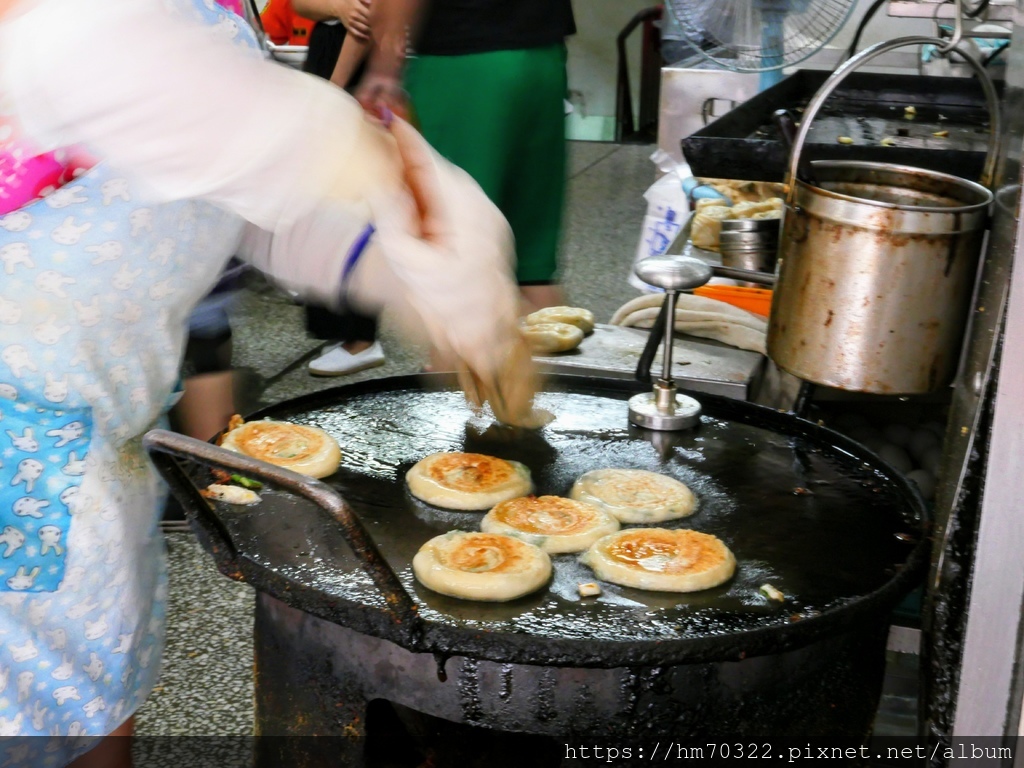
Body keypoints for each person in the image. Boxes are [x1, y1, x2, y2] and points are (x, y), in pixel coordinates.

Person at [0, 1, 531, 766]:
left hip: (90, 447)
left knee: (93, 695)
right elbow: (237, 125)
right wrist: (430, 233)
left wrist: (409, 269)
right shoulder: (80, 24)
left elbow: (249, 198)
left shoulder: (201, 20)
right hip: (20, 444)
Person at [403, 0, 576, 312]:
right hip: (543, 57)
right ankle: (548, 355)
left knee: (455, 254)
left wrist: (381, 69)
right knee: (532, 270)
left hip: (463, 64)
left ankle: (452, 361)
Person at [294, 0, 386, 377]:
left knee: (355, 202)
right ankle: (339, 325)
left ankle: (361, 336)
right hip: (328, 59)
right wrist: (335, 6)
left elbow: (364, 19)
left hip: (350, 68)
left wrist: (332, 92)